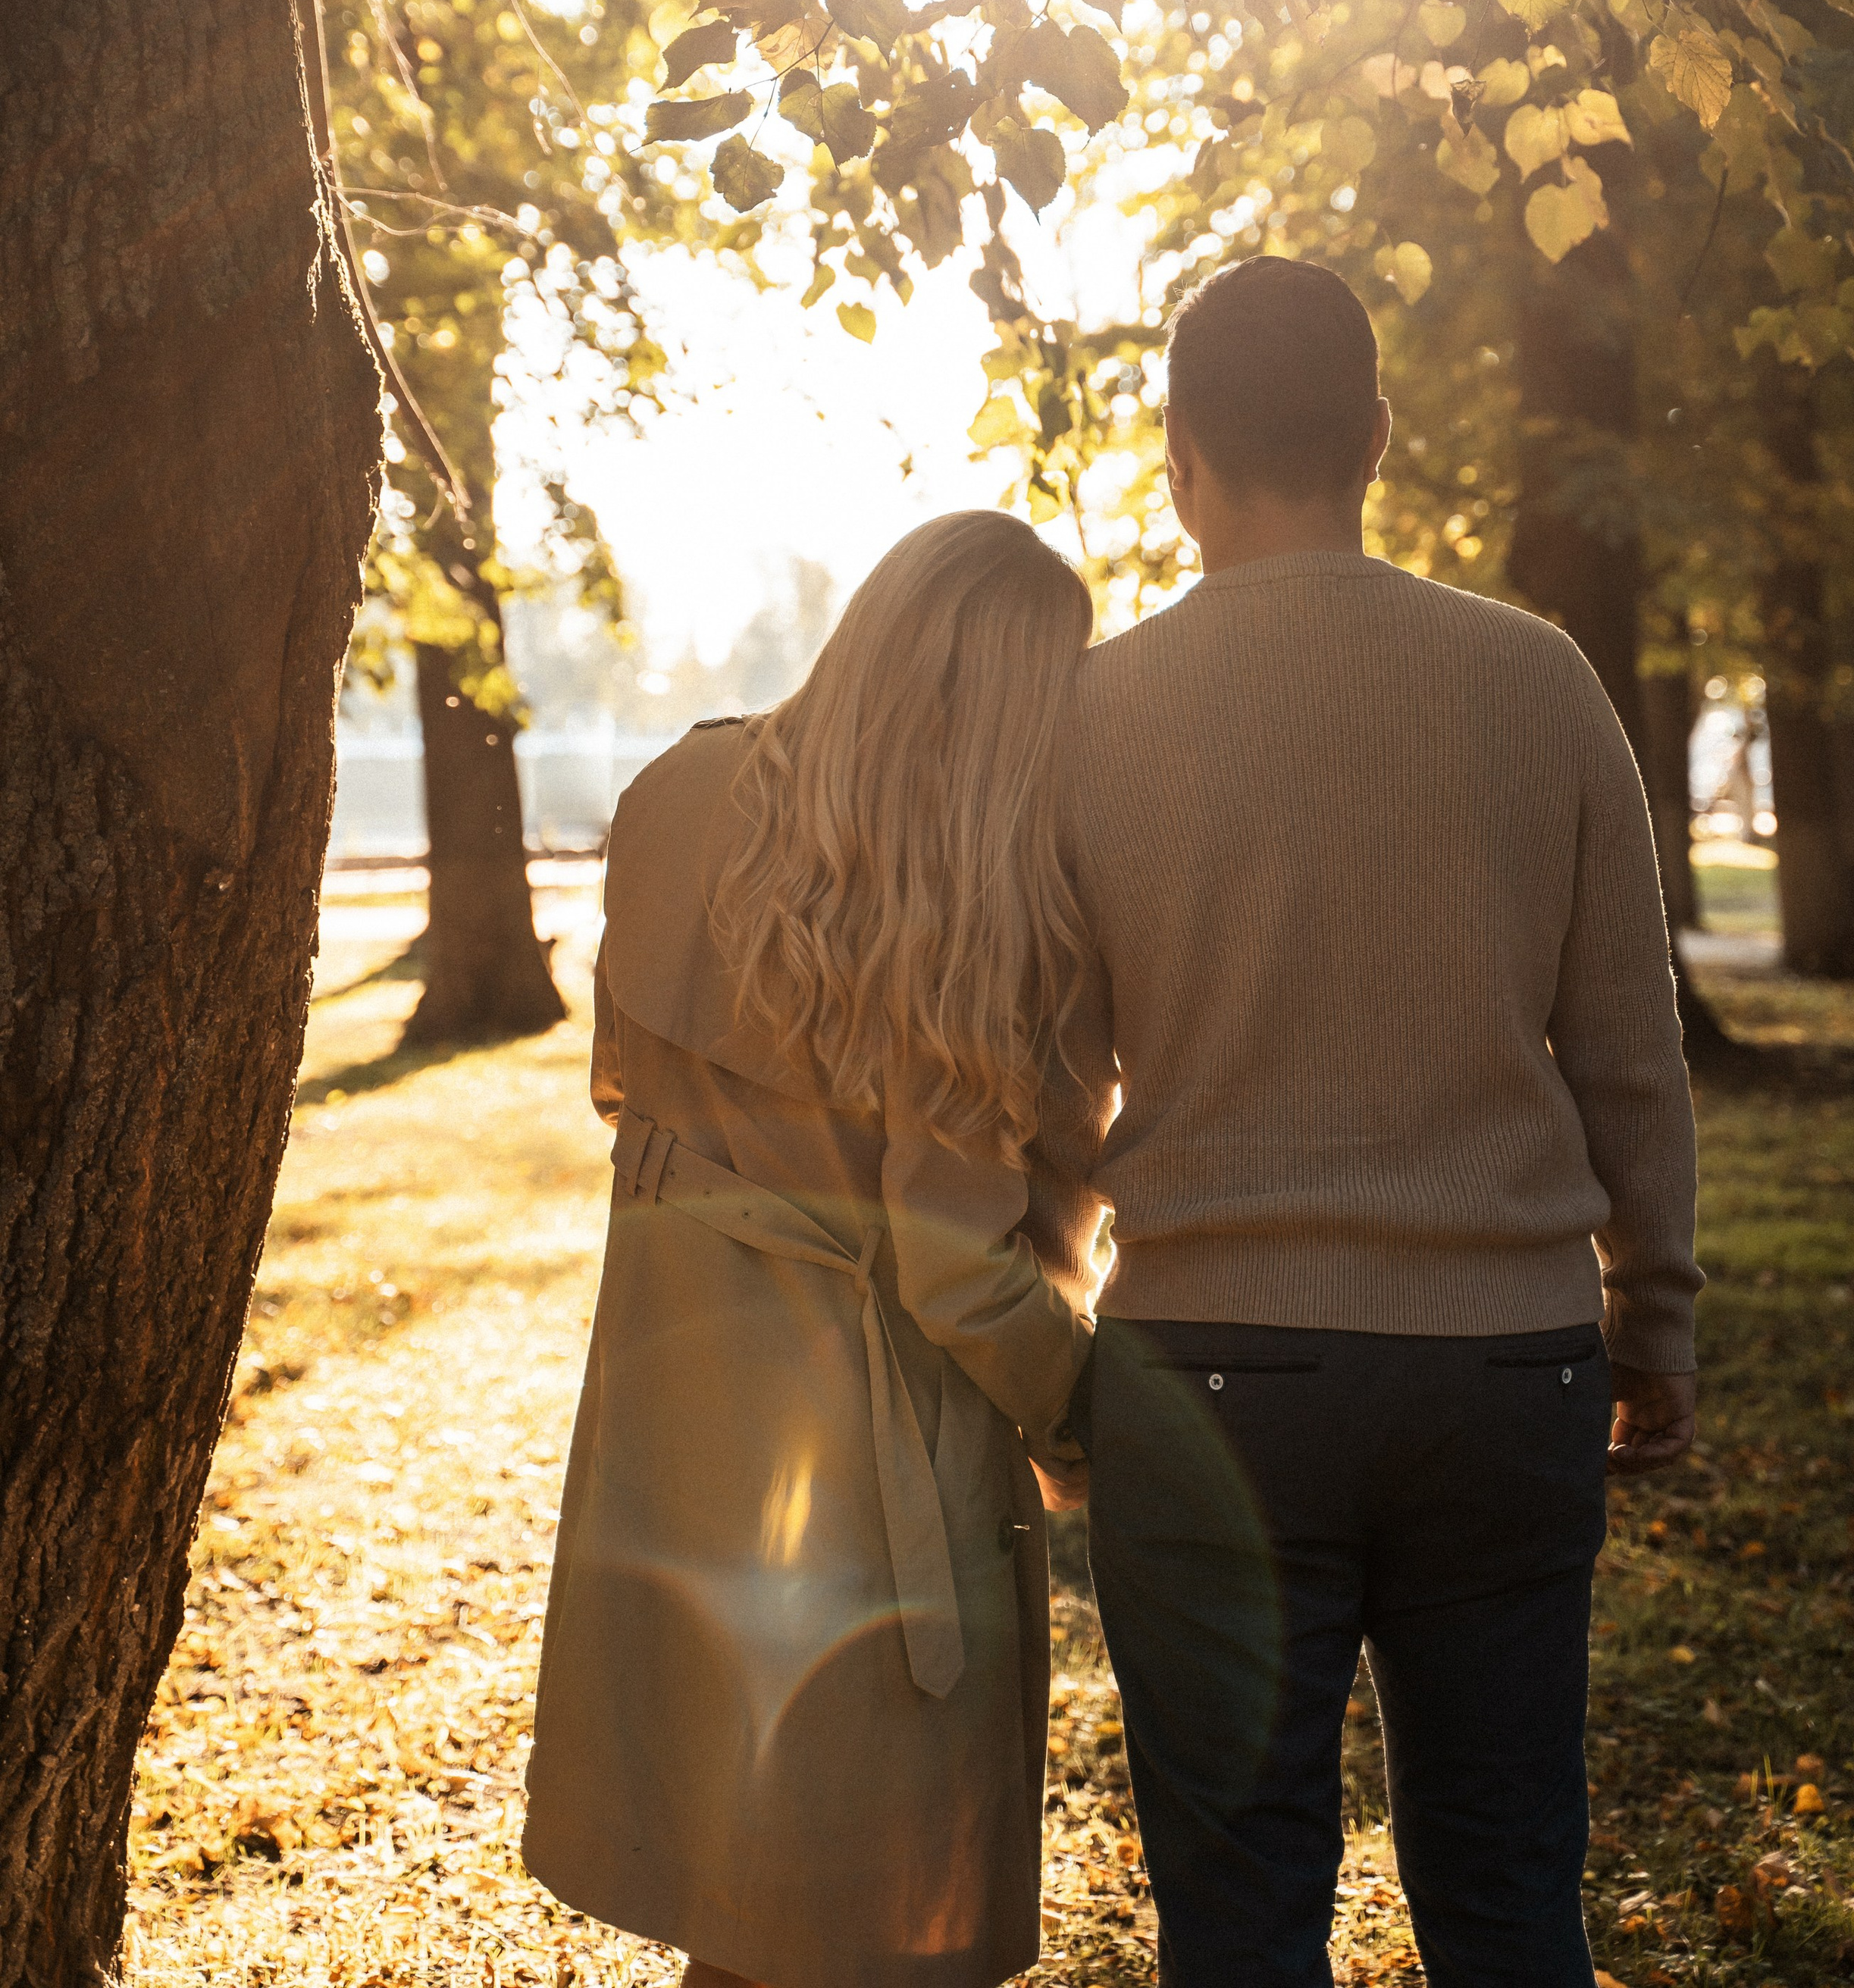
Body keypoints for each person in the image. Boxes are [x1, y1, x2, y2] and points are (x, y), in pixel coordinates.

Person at [1060, 255, 1702, 1988]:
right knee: (1505, 1890)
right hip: (1506, 1369)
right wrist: (1652, 1323)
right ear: (1375, 436)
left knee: (1242, 1898)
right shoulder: (1538, 679)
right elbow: (1630, 1056)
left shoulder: (1089, 712)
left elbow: (1039, 1080)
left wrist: (1042, 1360)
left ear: (1175, 452)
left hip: (1204, 1379)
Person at [521, 510, 1107, 1988]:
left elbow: (624, 1091)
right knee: (873, 1903)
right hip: (863, 1451)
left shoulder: (678, 787)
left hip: (681, 1406)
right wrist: (1091, 1413)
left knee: (738, 1886)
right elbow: (957, 1267)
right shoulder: (957, 899)